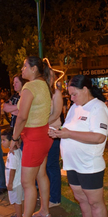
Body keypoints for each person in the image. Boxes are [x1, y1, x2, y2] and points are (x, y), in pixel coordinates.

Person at [49, 74, 108, 217]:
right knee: (82, 200)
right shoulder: (75, 107)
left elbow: (99, 137)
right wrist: (58, 132)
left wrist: (69, 134)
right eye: (70, 95)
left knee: (95, 203)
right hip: (72, 164)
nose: (72, 98)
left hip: (89, 165)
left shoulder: (98, 107)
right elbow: (68, 129)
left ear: (85, 89)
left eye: (74, 94)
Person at [9, 56, 54, 217]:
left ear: (34, 68)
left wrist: (13, 138)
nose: (22, 69)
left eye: (24, 66)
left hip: (34, 138)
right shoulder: (44, 85)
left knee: (27, 182)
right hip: (43, 135)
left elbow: (22, 116)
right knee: (41, 174)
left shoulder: (30, 86)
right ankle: (44, 210)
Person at [46, 68, 63, 208]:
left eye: (52, 76)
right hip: (42, 133)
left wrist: (41, 123)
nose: (50, 79)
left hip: (53, 133)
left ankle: (55, 198)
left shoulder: (56, 94)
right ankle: (47, 194)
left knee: (52, 166)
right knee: (43, 167)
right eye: (48, 76)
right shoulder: (42, 93)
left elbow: (57, 113)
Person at [1, 128, 24, 217]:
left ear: (12, 141)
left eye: (4, 140)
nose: (2, 143)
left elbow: (12, 170)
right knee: (19, 199)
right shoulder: (16, 151)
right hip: (18, 182)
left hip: (15, 183)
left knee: (17, 201)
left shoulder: (13, 154)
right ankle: (20, 214)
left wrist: (10, 183)